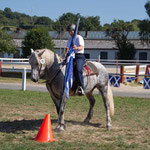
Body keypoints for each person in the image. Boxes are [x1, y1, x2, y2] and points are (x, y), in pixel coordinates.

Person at [65, 24, 85, 96]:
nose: (70, 33)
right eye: (69, 31)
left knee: (78, 69)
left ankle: (81, 87)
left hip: (79, 56)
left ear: (75, 31)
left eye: (71, 31)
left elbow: (81, 47)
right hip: (71, 56)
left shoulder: (79, 37)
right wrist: (66, 51)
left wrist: (76, 48)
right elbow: (67, 47)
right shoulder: (70, 39)